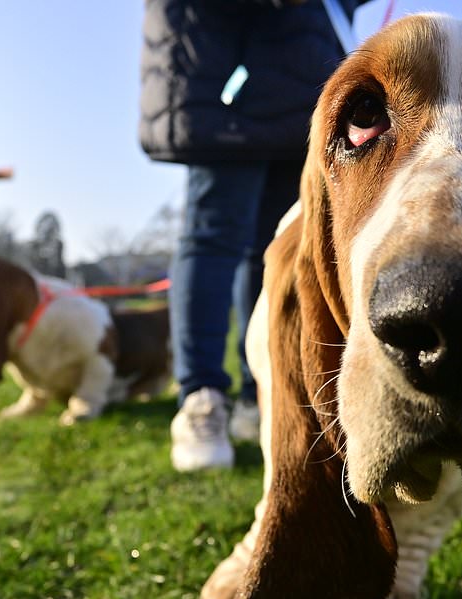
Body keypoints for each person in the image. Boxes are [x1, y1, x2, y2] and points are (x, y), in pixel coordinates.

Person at [139, 0, 363, 471]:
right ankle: (201, 397)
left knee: (271, 250)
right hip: (222, 80)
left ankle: (255, 392)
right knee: (213, 237)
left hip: (298, 96)